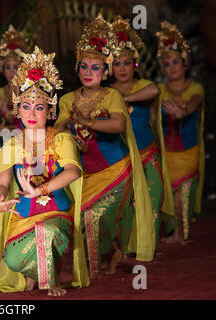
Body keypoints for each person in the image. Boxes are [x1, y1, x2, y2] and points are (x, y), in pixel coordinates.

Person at [54, 14, 155, 278]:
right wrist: (68, 128)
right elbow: (60, 128)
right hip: (85, 172)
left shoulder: (113, 95)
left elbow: (118, 126)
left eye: (96, 67)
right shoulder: (66, 99)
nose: (89, 72)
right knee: (84, 217)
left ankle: (101, 261)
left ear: (105, 71)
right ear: (77, 69)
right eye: (84, 66)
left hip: (115, 169)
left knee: (100, 217)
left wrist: (85, 120)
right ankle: (101, 259)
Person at [0, 46, 89, 296]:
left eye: (39, 107)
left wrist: (39, 190)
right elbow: (3, 181)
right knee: (12, 260)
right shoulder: (12, 144)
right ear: (17, 108)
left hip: (56, 211)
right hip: (24, 214)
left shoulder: (61, 139)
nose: (31, 113)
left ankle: (51, 280)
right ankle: (41, 270)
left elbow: (73, 172)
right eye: (26, 106)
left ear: (50, 109)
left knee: (50, 231)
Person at [110, 16, 175, 250]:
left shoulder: (143, 86)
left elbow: (155, 90)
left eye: (126, 63)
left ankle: (148, 247)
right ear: (110, 67)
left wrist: (123, 99)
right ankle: (128, 247)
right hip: (123, 159)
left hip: (147, 155)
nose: (122, 68)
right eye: (117, 64)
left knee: (153, 197)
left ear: (134, 64)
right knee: (128, 203)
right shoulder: (106, 92)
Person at [155, 21, 205, 244]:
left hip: (187, 152)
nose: (172, 67)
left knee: (183, 195)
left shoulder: (195, 88)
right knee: (168, 195)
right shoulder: (160, 91)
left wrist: (182, 111)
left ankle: (182, 233)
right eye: (167, 64)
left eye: (176, 62)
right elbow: (153, 118)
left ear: (185, 63)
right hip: (166, 152)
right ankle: (174, 231)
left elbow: (195, 103)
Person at [0, 25, 30, 130]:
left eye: (15, 67)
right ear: (3, 70)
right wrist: (1, 127)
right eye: (7, 67)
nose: (12, 71)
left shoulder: (30, 92)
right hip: (6, 140)